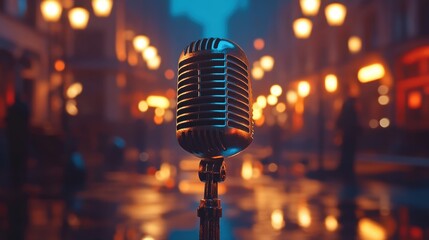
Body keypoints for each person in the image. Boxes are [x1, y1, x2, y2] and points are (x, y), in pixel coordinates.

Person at [5, 94, 30, 188]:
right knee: (19, 162)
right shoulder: (21, 111)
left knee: (15, 162)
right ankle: (19, 182)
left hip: (16, 141)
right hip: (19, 141)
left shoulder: (13, 110)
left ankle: (17, 182)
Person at [336, 96, 361, 180]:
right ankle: (347, 171)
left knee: (347, 154)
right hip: (349, 137)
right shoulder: (351, 112)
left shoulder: (347, 112)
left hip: (348, 137)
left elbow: (339, 123)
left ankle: (346, 170)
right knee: (348, 154)